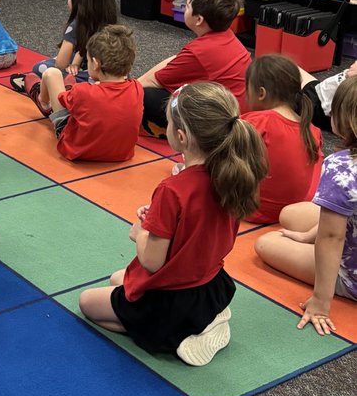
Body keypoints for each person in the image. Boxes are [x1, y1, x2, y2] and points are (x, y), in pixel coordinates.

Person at [79, 83, 267, 366]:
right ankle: (207, 318)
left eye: (167, 123)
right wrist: (157, 222)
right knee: (119, 278)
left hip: (172, 299)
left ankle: (177, 334)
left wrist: (140, 232)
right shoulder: (233, 175)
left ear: (180, 136)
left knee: (87, 302)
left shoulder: (173, 189)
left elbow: (152, 262)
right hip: (209, 286)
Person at [254, 76, 357, 335]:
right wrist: (307, 236)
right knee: (290, 214)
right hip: (348, 230)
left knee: (265, 244)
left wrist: (321, 303)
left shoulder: (341, 167)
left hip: (350, 273)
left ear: (341, 120)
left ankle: (335, 286)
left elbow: (333, 237)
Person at [137, 0, 249, 135]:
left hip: (219, 124)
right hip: (232, 112)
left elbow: (155, 80)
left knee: (145, 96)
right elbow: (174, 60)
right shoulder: (226, 36)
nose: (184, 8)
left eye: (187, 5)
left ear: (199, 19)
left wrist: (128, 89)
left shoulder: (200, 51)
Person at [30, 25, 143, 163]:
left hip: (78, 150)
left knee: (51, 74)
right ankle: (65, 89)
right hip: (122, 154)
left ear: (95, 63)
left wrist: (72, 91)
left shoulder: (83, 91)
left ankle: (42, 99)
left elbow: (62, 100)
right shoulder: (137, 88)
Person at [242, 54, 321, 224]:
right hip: (295, 210)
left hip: (252, 209)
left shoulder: (258, 121)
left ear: (261, 93)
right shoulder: (312, 129)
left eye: (247, 88)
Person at [11, 0, 118, 95]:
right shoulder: (112, 27)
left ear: (80, 5)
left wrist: (70, 65)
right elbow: (84, 48)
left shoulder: (75, 26)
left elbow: (60, 63)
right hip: (111, 76)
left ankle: (43, 87)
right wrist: (75, 64)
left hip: (90, 75)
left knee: (40, 68)